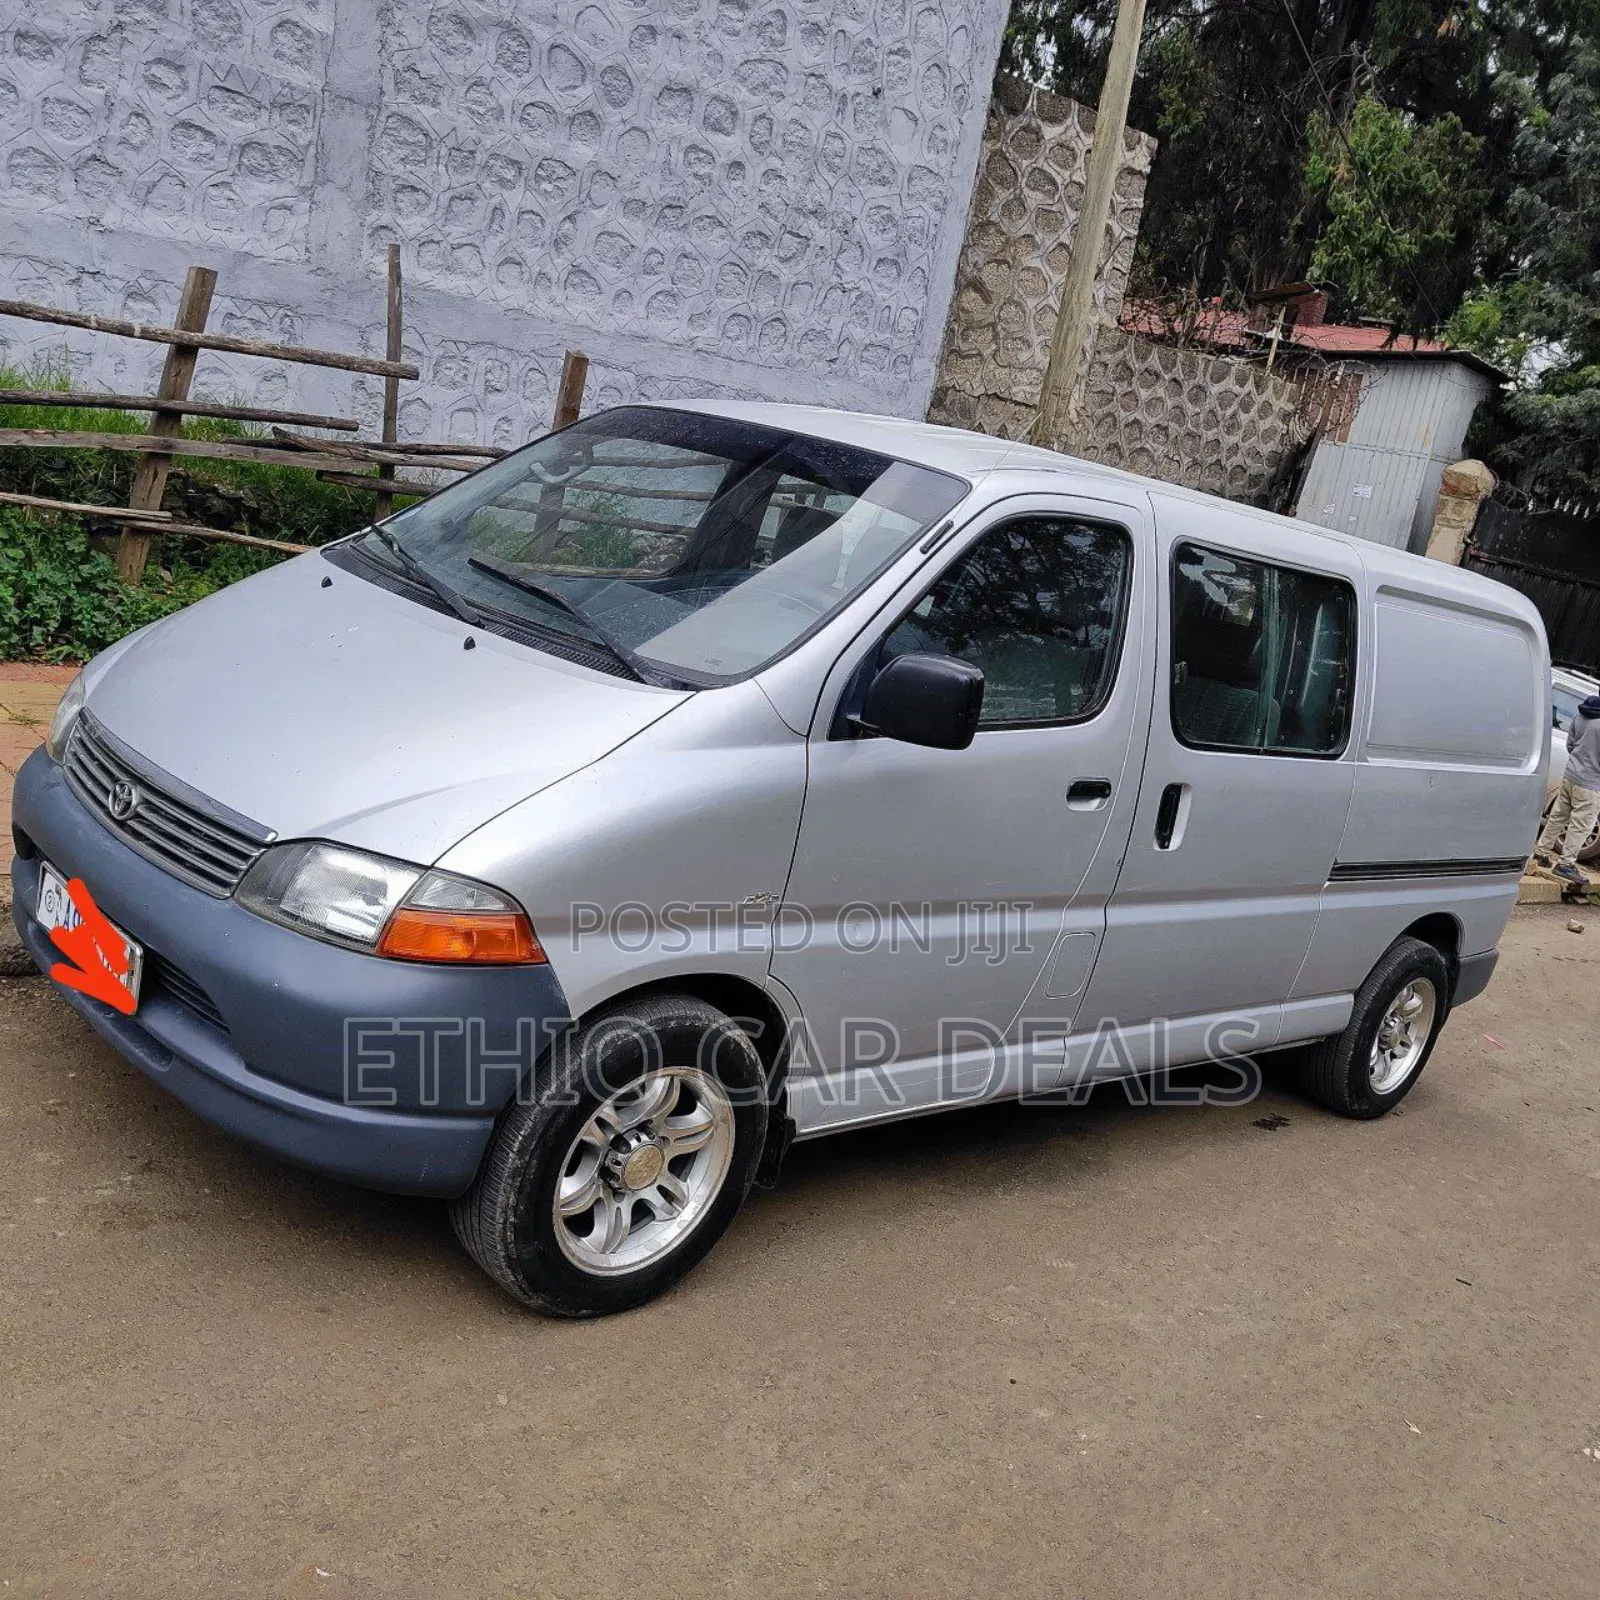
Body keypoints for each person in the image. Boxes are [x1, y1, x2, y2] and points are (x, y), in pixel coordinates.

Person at [1537, 691, 1600, 885]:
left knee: (1558, 815)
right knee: (1581, 826)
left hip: (1570, 775)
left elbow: (1570, 744)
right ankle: (1565, 864)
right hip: (1590, 783)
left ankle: (1541, 851)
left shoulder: (1582, 713)